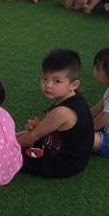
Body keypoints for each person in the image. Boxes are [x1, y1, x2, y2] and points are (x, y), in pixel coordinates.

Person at [17, 49, 93, 178]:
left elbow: (33, 136)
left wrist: (4, 148)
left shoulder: (63, 111)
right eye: (45, 78)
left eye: (57, 81)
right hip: (58, 147)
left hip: (63, 163)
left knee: (10, 155)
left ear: (74, 84)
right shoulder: (71, 97)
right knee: (22, 138)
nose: (48, 85)